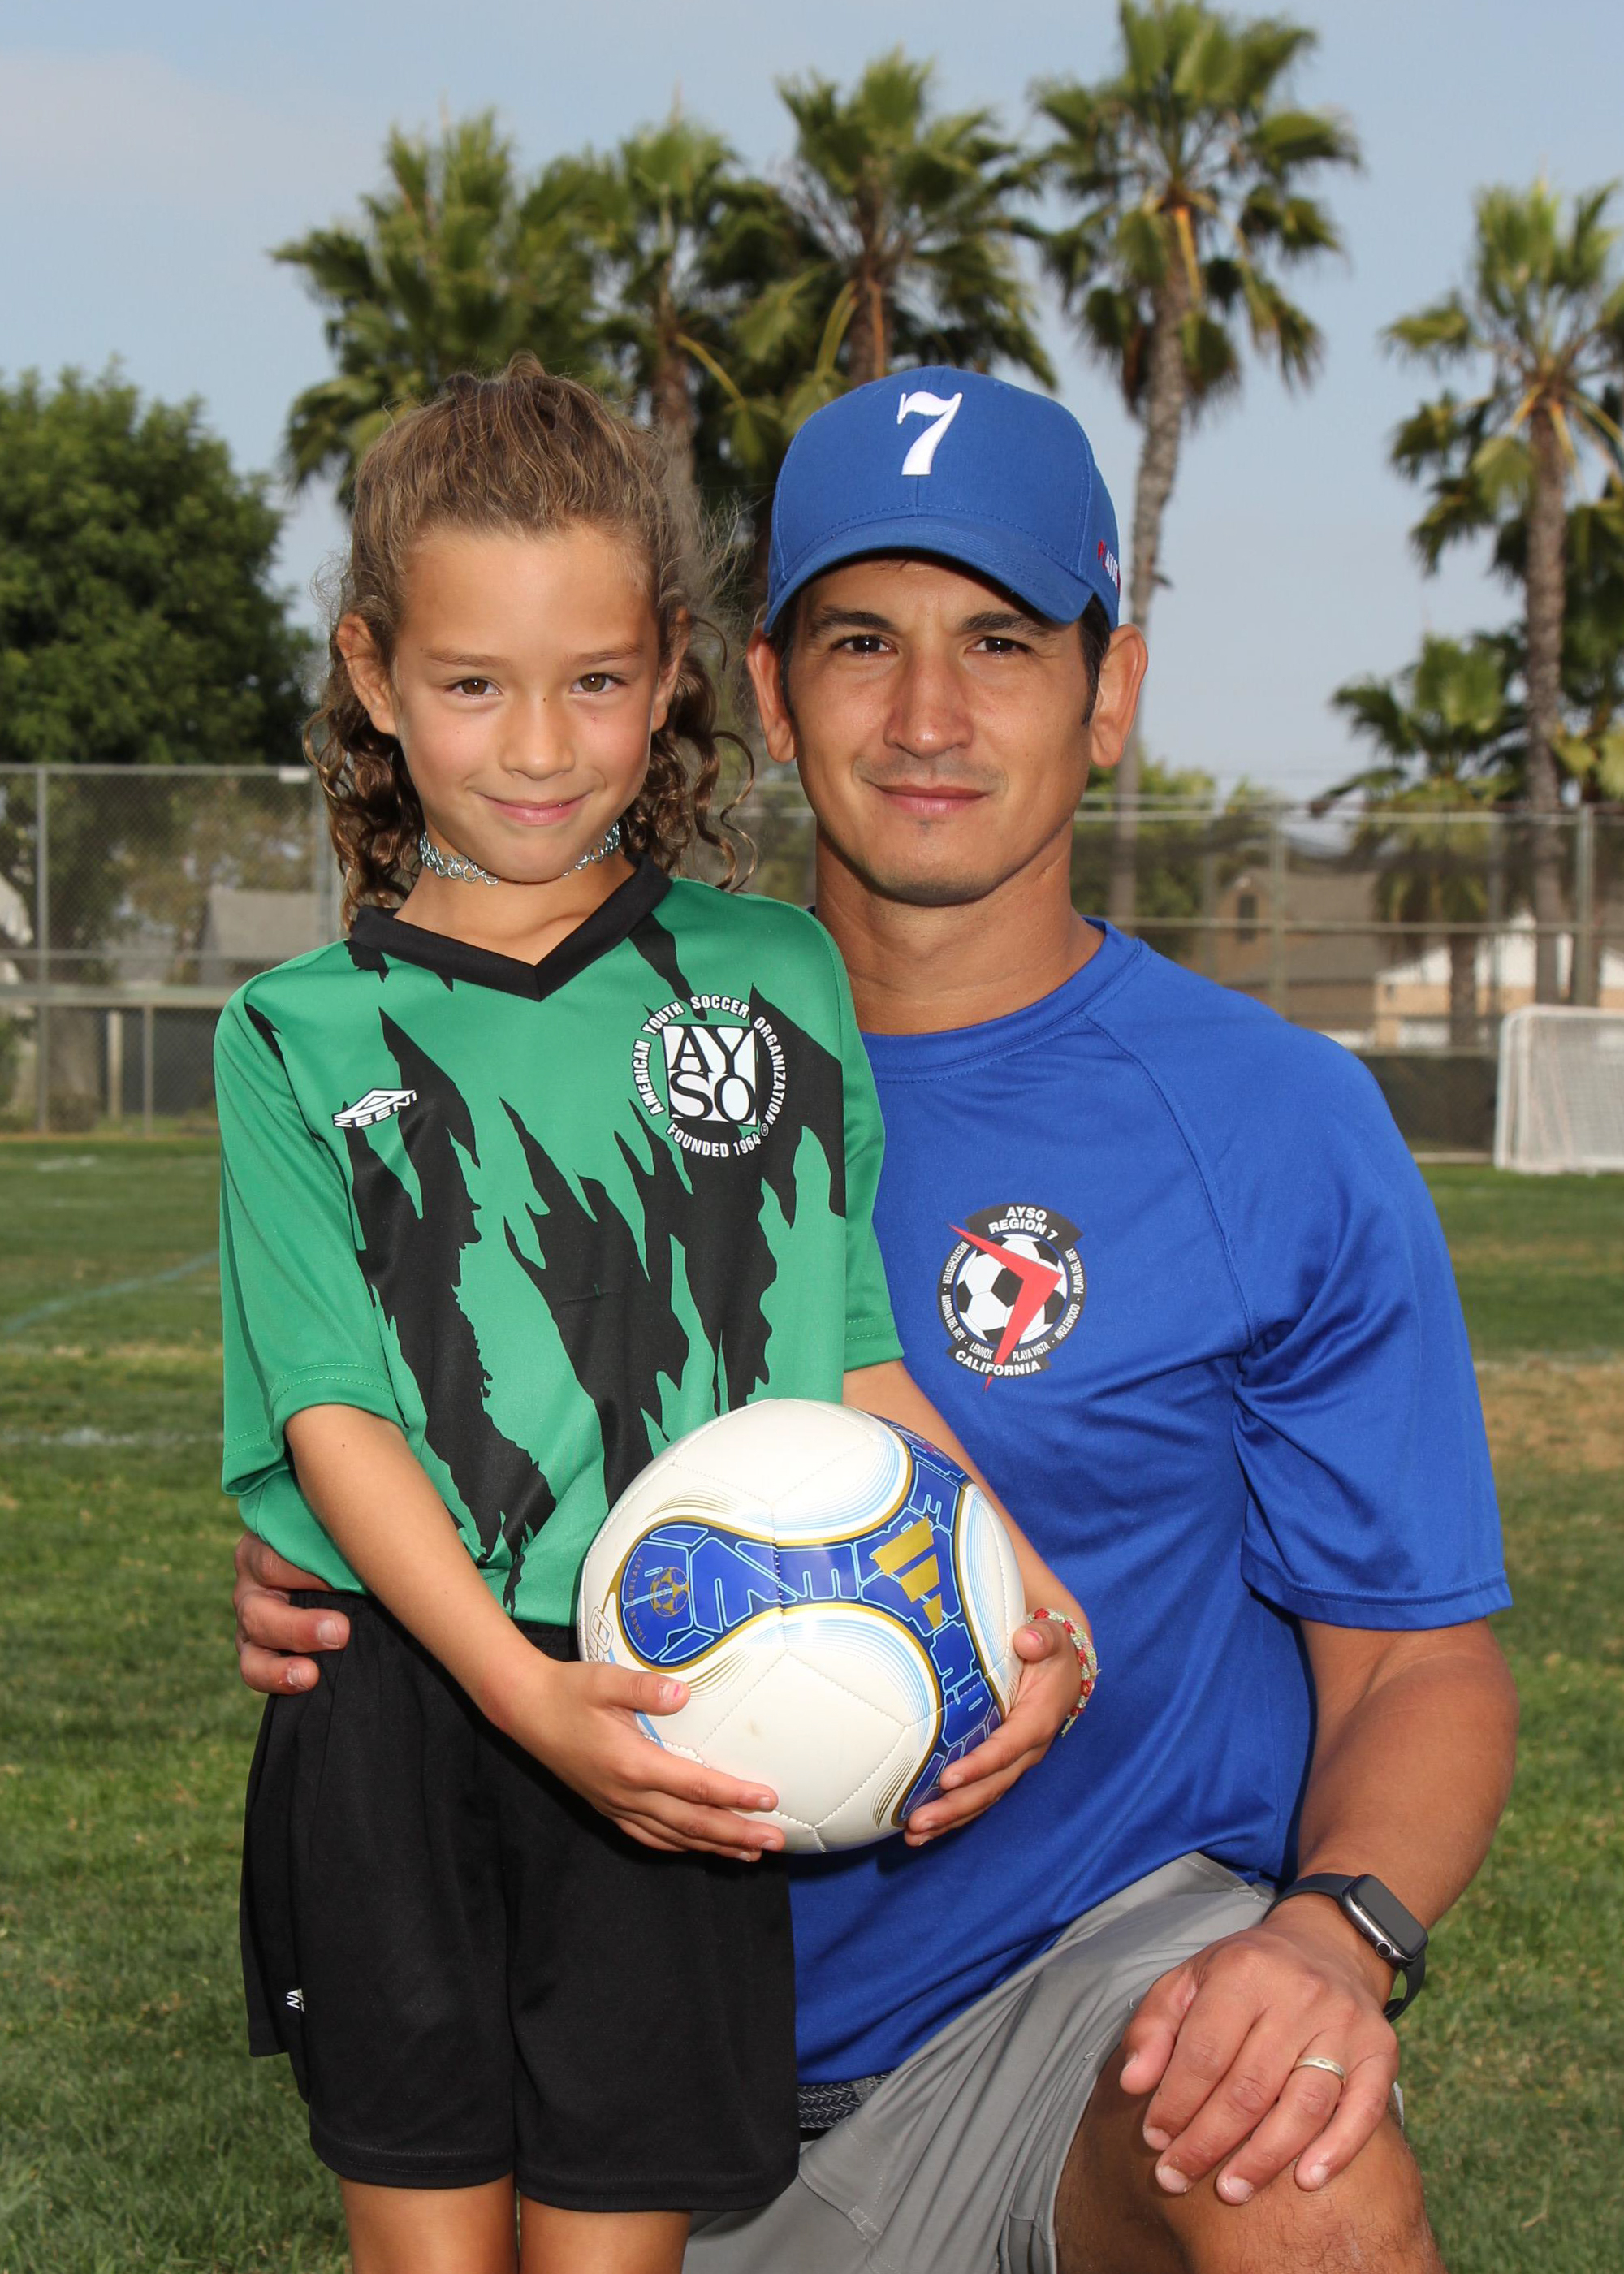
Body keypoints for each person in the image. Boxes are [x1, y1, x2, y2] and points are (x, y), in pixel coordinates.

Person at [235, 367, 1518, 2274]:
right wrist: (340, 1562)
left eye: (998, 641)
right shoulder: (620, 1036)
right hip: (627, 2037)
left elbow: (1416, 1660)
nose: (927, 715)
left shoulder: (1275, 1122)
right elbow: (403, 1371)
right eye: (860, 641)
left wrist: (1334, 1932)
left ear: (1109, 686)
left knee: (1288, 2167)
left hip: (1060, 2019)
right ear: (760, 687)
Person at [218, 360, 1089, 2274]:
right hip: (402, 1709)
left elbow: (851, 1349)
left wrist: (1027, 1587)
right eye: (473, 683)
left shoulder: (774, 975)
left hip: (690, 1698)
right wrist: (517, 1689)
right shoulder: (296, 1032)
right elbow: (331, 1413)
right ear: (374, 674)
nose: (539, 745)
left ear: (671, 666)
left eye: (595, 679)